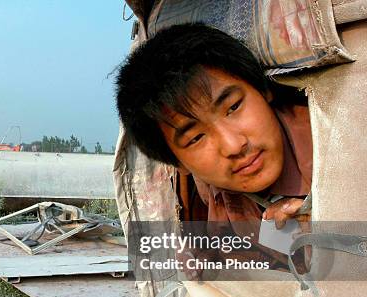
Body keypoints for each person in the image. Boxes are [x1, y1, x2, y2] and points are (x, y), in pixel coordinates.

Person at [115, 23, 312, 276]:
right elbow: (243, 250)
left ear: (263, 90)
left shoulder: (340, 149)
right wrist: (206, 258)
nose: (233, 145)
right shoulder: (214, 191)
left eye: (233, 107)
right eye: (196, 138)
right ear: (179, 164)